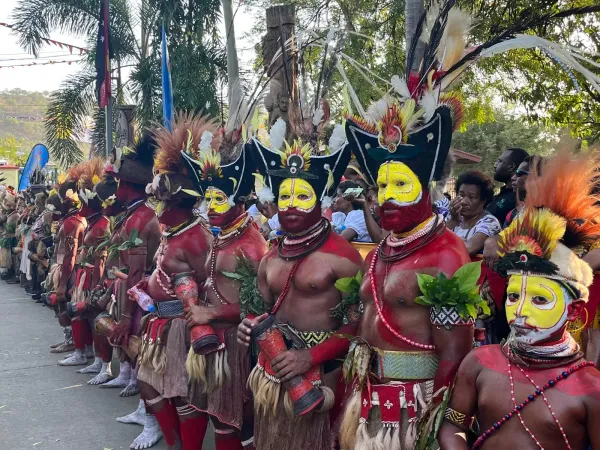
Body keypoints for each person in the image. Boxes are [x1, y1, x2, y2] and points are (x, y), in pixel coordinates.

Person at [338, 8, 478, 445]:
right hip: (366, 395)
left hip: (413, 406)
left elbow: (455, 355)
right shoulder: (382, 249)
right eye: (382, 185)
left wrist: (435, 428)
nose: (387, 196)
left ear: (427, 189)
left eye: (401, 184)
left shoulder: (447, 254)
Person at [438, 150, 600, 450]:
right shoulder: (479, 362)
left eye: (540, 299)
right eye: (513, 296)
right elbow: (452, 427)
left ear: (574, 311)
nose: (520, 311)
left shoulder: (591, 388)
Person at [238, 112, 362, 450]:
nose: (291, 206)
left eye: (302, 196)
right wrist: (247, 327)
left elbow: (360, 326)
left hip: (323, 373)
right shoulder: (271, 254)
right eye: (285, 197)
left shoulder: (343, 257)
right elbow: (258, 312)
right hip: (272, 372)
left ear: (320, 201)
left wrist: (312, 356)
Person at [126, 114, 215, 449]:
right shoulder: (171, 231)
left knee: (182, 394)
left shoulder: (197, 237)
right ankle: (174, 440)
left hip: (181, 326)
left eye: (162, 200)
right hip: (159, 321)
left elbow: (209, 283)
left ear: (182, 201)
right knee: (149, 386)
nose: (157, 206)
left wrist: (199, 323)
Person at [181, 114, 269, 450]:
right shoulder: (223, 236)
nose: (211, 207)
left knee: (231, 418)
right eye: (208, 199)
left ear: (240, 201)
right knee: (207, 408)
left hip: (236, 345)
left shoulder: (252, 244)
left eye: (220, 200)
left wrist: (210, 314)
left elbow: (259, 307)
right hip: (211, 337)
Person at [104, 136, 163, 450]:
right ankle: (145, 411)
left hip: (143, 298)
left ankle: (153, 421)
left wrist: (128, 316)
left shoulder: (140, 218)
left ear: (128, 186)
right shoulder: (136, 214)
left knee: (144, 360)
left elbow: (138, 273)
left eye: (118, 184)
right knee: (139, 360)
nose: (115, 190)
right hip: (139, 294)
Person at [58, 158, 106, 367]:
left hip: (91, 277)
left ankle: (101, 361)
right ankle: (85, 352)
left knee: (94, 316)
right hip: (83, 275)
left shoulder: (101, 224)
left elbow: (100, 259)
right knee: (82, 316)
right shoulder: (92, 221)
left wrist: (95, 286)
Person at [447, 170, 501, 257]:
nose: (464, 201)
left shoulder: (490, 222)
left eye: (472, 197)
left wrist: (446, 241)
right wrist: (453, 221)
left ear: (483, 200)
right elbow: (431, 240)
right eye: (461, 195)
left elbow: (468, 249)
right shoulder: (453, 215)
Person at [487, 147, 529, 223]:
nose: (495, 165)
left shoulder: (518, 200)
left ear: (512, 166)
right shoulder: (502, 193)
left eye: (499, 161)